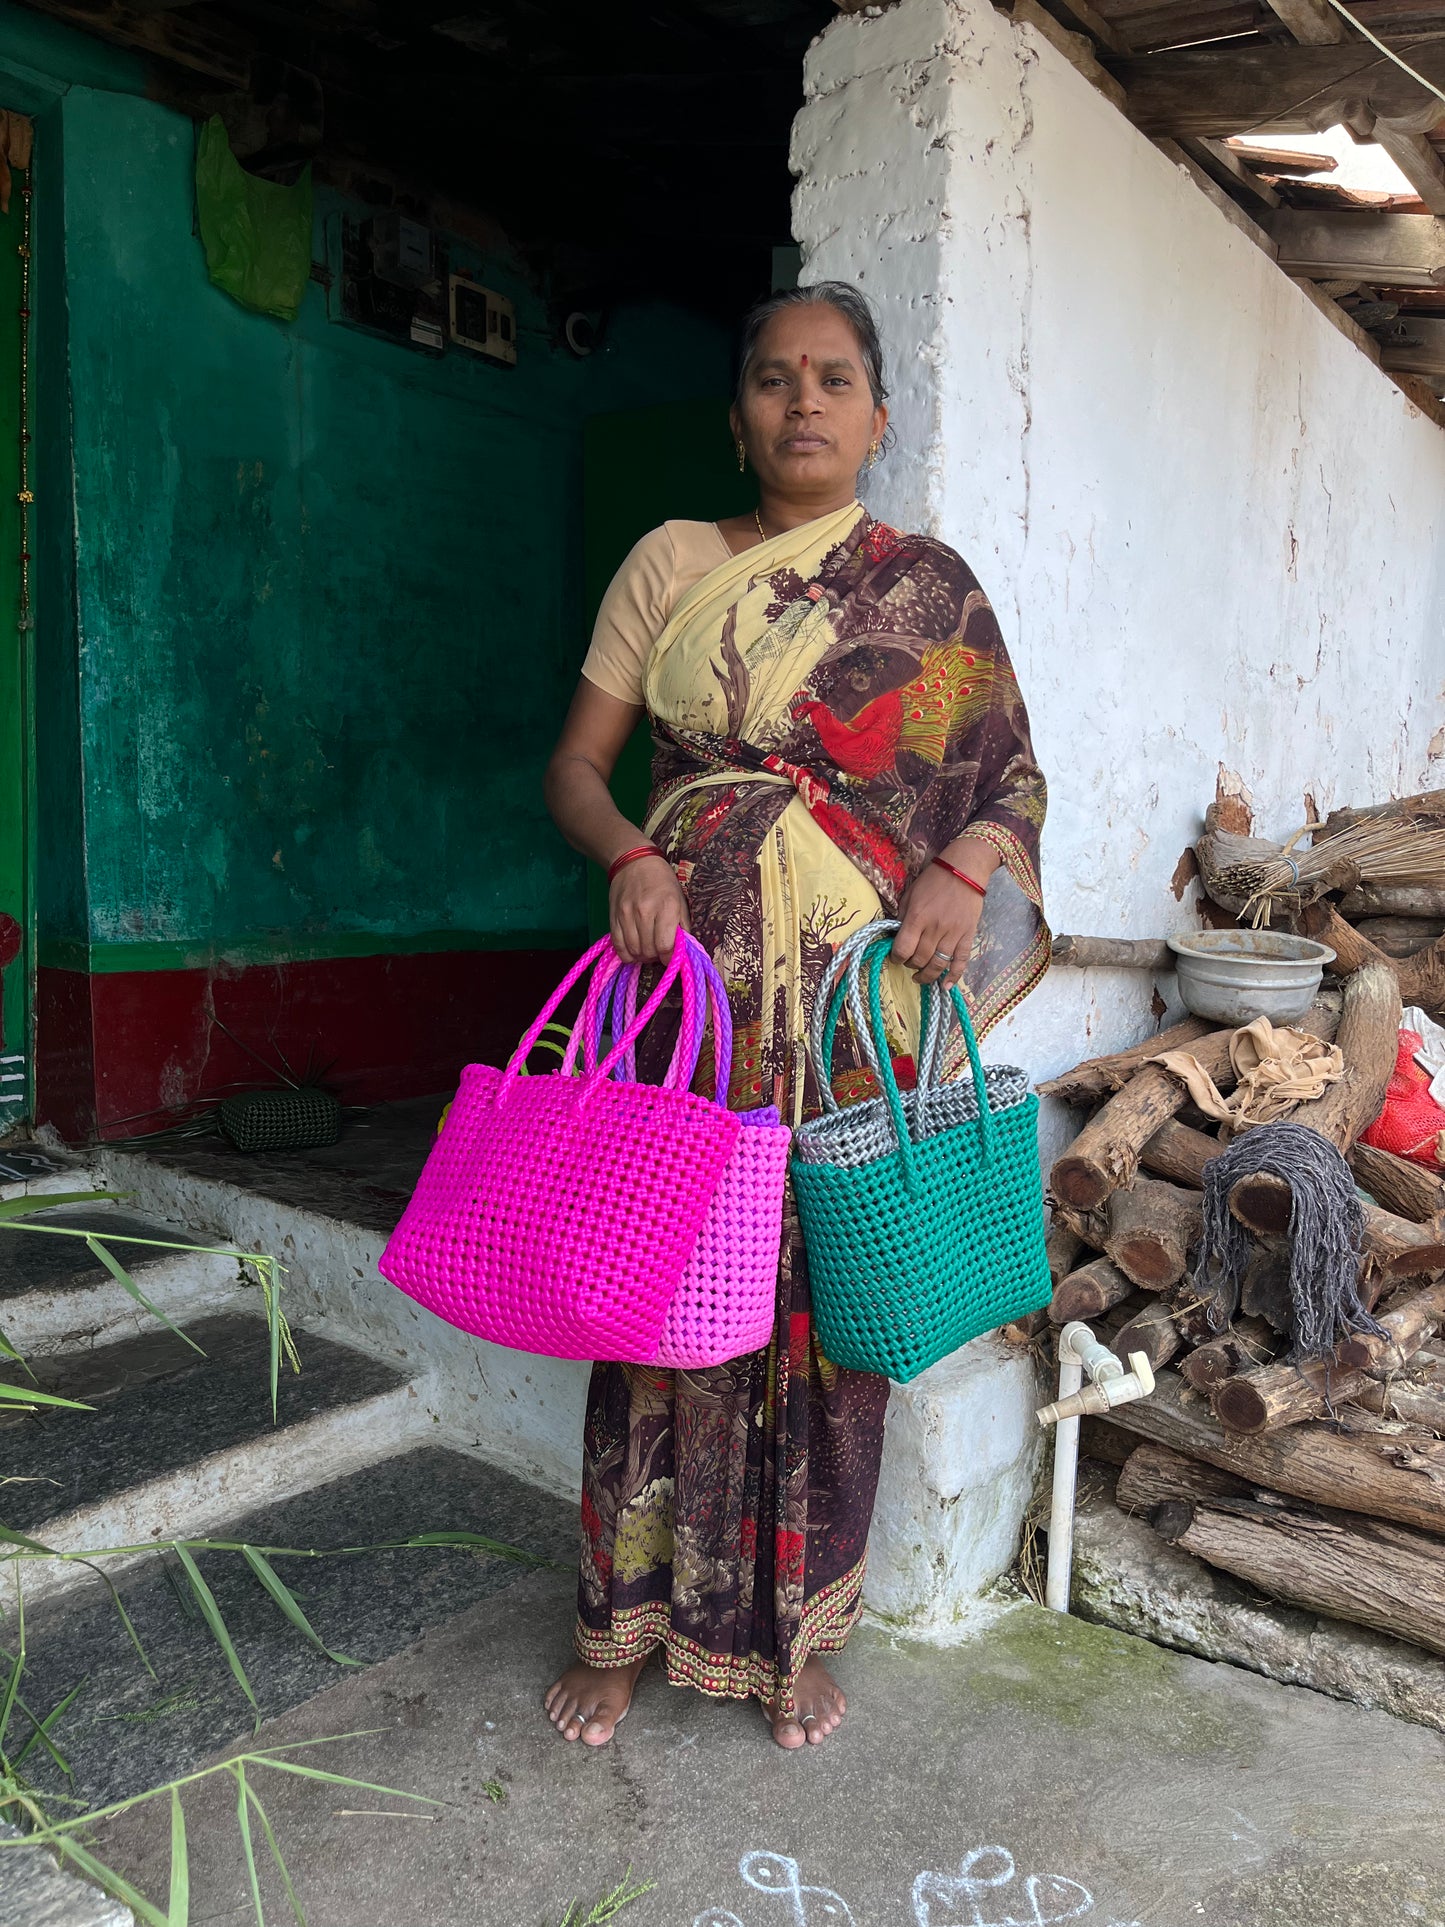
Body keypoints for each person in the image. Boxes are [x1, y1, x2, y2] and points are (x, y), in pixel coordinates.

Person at [542, 282, 1048, 1750]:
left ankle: (795, 1633)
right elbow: (576, 767)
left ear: (878, 414)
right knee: (658, 1292)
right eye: (773, 379)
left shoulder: (928, 589)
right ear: (738, 412)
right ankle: (622, 1624)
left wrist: (961, 862)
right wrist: (630, 852)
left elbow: (1006, 778)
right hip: (683, 995)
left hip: (846, 1008)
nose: (803, 402)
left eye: (833, 379)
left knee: (828, 1312)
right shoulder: (671, 562)